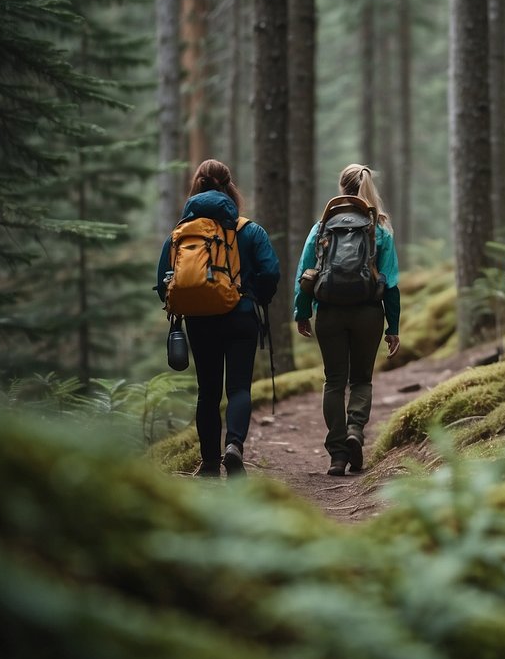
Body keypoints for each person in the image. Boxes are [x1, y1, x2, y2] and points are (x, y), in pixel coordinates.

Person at [156, 159, 281, 478]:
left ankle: (210, 463)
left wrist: (190, 302)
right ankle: (234, 447)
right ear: (230, 188)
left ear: (196, 187)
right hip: (240, 316)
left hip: (200, 321)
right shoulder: (249, 229)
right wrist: (256, 296)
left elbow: (164, 281)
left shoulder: (180, 234)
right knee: (239, 387)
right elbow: (270, 272)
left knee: (207, 391)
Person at [294, 164, 401, 477]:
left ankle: (337, 456)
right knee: (361, 380)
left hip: (329, 312)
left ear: (341, 188)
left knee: (334, 381)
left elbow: (306, 274)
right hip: (368, 312)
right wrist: (393, 327)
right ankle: (355, 430)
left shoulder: (322, 227)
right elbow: (391, 284)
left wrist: (302, 311)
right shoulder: (377, 228)